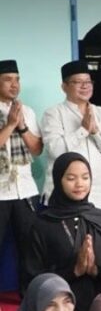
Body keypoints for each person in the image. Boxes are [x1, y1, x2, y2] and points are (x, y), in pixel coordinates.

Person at [25, 152, 101, 311]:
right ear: (58, 180)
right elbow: (32, 277)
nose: (79, 184)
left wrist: (95, 270)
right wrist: (74, 271)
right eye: (71, 178)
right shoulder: (43, 224)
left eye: (85, 177)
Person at [41, 60, 101, 211]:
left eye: (88, 82)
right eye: (78, 82)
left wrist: (95, 132)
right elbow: (55, 150)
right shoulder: (53, 113)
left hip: (97, 194)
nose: (85, 86)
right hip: (62, 195)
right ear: (64, 87)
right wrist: (83, 130)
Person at [0, 59, 43, 291]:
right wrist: (9, 125)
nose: (14, 84)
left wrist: (22, 126)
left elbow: (37, 149)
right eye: (8, 80)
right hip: (0, 191)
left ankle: (30, 296)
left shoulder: (27, 111)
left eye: (17, 79)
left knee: (30, 248)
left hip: (25, 190)